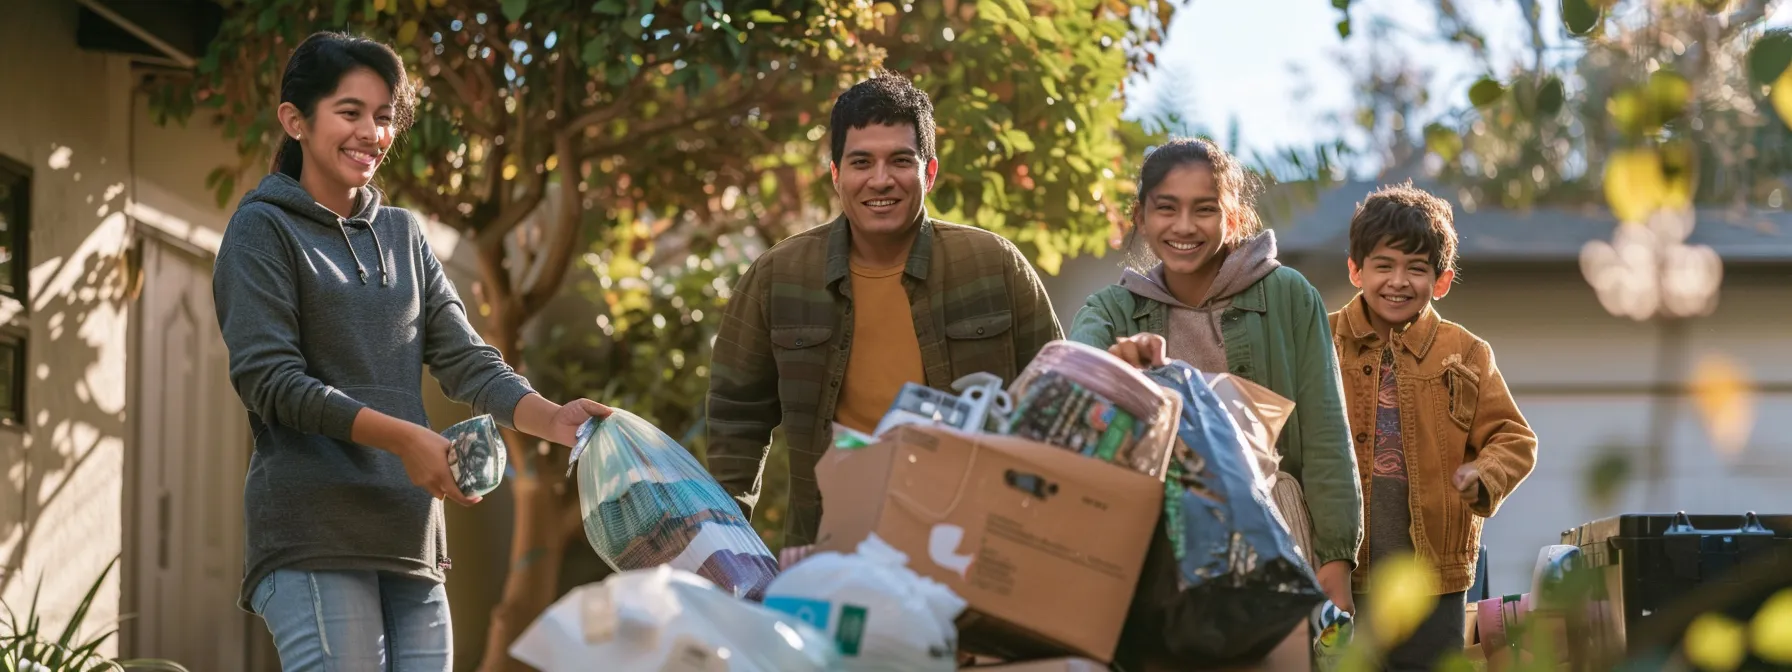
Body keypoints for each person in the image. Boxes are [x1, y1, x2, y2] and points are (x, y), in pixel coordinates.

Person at [213, 31, 610, 671]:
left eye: (384, 115)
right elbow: (271, 381)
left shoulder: (403, 233)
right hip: (315, 533)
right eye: (350, 112)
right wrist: (405, 439)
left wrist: (550, 417)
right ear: (296, 120)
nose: (371, 131)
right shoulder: (262, 229)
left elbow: (466, 359)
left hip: (409, 537)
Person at [705, 71, 1062, 548]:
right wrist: (728, 551)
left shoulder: (993, 266)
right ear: (836, 174)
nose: (880, 180)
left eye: (900, 160)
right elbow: (735, 423)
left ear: (928, 172)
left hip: (971, 547)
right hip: (830, 548)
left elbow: (1057, 402)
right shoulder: (778, 277)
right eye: (860, 162)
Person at [1068, 138, 1363, 611]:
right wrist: (1114, 363)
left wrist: (1334, 557)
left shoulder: (1287, 295)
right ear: (1140, 217)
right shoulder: (1113, 309)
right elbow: (1074, 371)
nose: (1184, 226)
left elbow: (1328, 430)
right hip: (1155, 540)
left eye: (1204, 209)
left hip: (1274, 525)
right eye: (1166, 208)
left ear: (1233, 218)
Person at [1331, 183, 1537, 670]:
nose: (1398, 281)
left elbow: (1514, 437)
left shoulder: (1464, 352)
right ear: (1356, 269)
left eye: (1416, 269)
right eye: (1383, 265)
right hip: (1345, 568)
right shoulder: (1324, 339)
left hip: (1436, 574)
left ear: (1440, 281)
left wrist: (1482, 475)